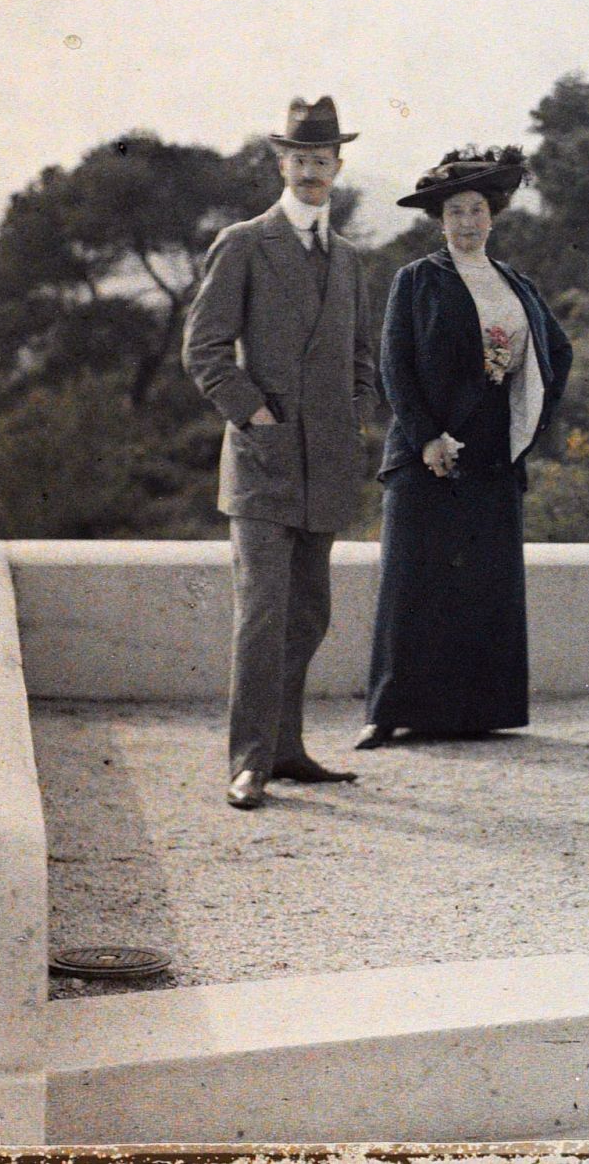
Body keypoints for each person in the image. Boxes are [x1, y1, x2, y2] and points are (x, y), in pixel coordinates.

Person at [182, 95, 381, 810]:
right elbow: (202, 349)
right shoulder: (244, 242)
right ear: (281, 163)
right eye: (298, 159)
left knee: (308, 614)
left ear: (337, 165)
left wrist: (355, 417)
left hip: (325, 465)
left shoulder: (350, 259)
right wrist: (255, 412)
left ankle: (288, 748)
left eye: (321, 160)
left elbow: (363, 355)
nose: (310, 171)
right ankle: (249, 761)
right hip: (263, 467)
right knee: (263, 613)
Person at [359, 147, 572, 749]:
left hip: (491, 454)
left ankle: (480, 712)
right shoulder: (417, 279)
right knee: (412, 579)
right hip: (424, 450)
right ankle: (388, 712)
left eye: (477, 209)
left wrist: (527, 421)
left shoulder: (516, 284)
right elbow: (394, 365)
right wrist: (426, 436)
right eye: (456, 211)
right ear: (440, 218)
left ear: (494, 215)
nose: (468, 222)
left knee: (483, 582)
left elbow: (557, 354)